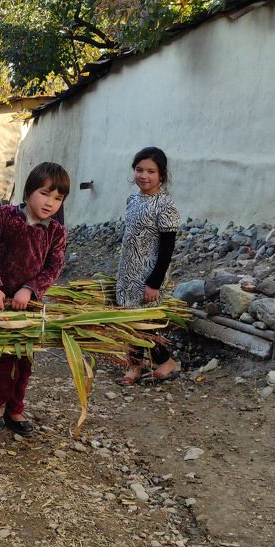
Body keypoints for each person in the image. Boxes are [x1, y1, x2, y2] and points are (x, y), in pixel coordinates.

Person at [0, 162, 70, 435]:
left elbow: (53, 268)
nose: (49, 203)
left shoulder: (56, 231)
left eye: (57, 198)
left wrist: (30, 289)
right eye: (44, 193)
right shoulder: (5, 215)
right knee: (3, 358)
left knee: (25, 360)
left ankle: (15, 408)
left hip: (30, 306)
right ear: (29, 190)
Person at [115, 147, 181, 385]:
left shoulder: (166, 205)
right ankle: (136, 365)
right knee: (129, 321)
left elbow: (167, 248)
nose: (144, 176)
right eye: (139, 170)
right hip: (128, 272)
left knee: (143, 324)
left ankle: (163, 362)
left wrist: (154, 282)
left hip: (148, 275)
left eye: (151, 171)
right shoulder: (132, 200)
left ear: (161, 175)